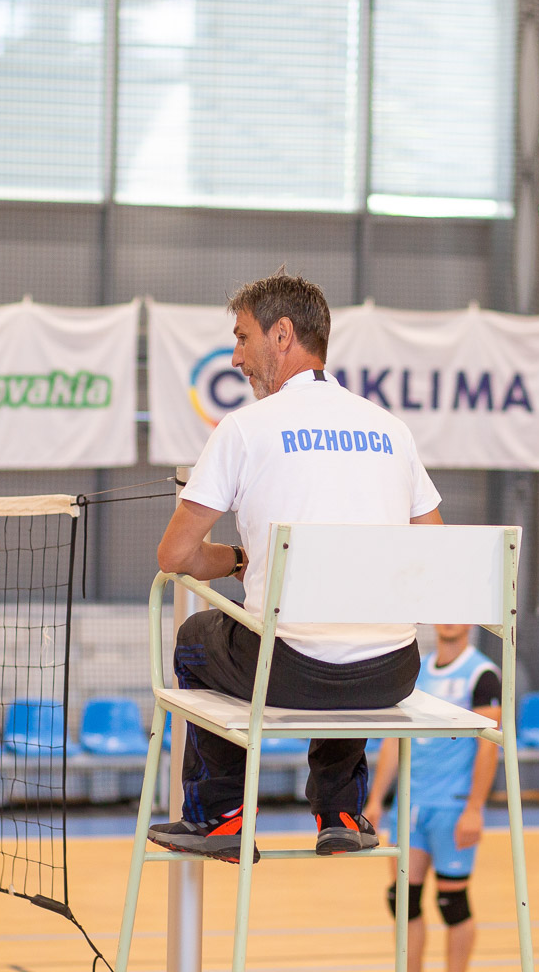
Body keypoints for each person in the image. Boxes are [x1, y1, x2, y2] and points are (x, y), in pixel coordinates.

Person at [150, 271, 443, 861]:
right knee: (349, 631)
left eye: (242, 338)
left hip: (284, 671)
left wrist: (235, 559)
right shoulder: (392, 430)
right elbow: (433, 552)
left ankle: (221, 818)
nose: (236, 357)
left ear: (281, 334)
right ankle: (341, 811)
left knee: (196, 639)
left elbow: (174, 556)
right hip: (391, 673)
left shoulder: (243, 429)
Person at [360, 623, 500, 972]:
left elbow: (489, 746)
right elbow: (394, 739)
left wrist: (474, 808)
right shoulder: (416, 671)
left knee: (452, 903)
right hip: (411, 805)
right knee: (402, 900)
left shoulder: (482, 675)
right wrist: (376, 800)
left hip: (452, 806)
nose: (449, 621)